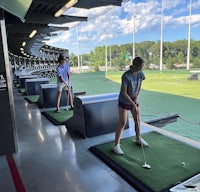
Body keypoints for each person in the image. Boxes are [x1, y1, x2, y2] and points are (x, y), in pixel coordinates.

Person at [112, 56, 148, 155]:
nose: (141, 69)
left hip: (134, 99)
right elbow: (124, 93)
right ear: (134, 65)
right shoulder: (125, 76)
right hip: (124, 101)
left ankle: (138, 138)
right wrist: (132, 104)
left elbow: (140, 87)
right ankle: (116, 145)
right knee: (123, 122)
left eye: (142, 67)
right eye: (139, 67)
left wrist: (136, 99)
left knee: (137, 119)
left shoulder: (140, 73)